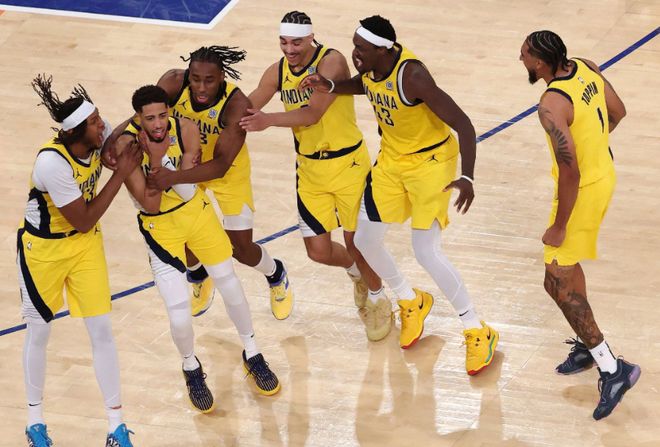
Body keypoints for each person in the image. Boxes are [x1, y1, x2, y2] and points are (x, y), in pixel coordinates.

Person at [301, 15, 499, 375]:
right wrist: (330, 84)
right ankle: (410, 300)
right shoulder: (373, 68)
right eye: (354, 45)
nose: (355, 53)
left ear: (383, 50)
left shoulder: (413, 76)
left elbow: (464, 124)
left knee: (425, 251)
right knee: (364, 241)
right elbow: (363, 85)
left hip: (431, 163)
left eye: (361, 48)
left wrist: (467, 176)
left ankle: (476, 329)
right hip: (393, 161)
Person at [113, 85, 281, 411]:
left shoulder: (186, 128)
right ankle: (190, 366)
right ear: (138, 118)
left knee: (229, 282)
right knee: (178, 313)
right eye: (150, 118)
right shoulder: (126, 146)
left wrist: (164, 166)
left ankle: (252, 351)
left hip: (197, 213)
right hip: (160, 228)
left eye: (163, 115)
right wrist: (160, 163)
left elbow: (189, 189)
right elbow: (150, 203)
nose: (158, 123)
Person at [238, 10, 387, 340]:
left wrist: (268, 120)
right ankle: (357, 273)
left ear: (311, 38)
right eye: (283, 42)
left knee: (356, 243)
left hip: (347, 164)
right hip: (309, 168)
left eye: (296, 43)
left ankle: (379, 299)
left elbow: (313, 113)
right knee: (318, 251)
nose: (289, 49)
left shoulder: (331, 62)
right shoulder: (277, 71)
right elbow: (246, 106)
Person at [519, 30, 640, 419]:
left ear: (540, 63)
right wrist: (596, 148)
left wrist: (559, 225)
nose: (521, 60)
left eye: (524, 55)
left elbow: (569, 171)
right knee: (567, 271)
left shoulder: (550, 105)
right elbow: (618, 111)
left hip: (582, 190)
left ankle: (612, 369)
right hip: (603, 173)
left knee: (555, 280)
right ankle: (588, 347)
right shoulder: (586, 67)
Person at [19, 75, 139, 446]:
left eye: (100, 118)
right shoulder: (52, 164)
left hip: (85, 247)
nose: (103, 125)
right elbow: (83, 218)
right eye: (95, 122)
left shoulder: (93, 138)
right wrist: (121, 173)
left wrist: (140, 116)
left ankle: (116, 426)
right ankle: (35, 422)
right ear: (75, 133)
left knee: (101, 330)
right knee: (39, 332)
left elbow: (119, 134)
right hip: (45, 251)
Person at [144, 46, 294, 320]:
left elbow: (222, 164)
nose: (201, 87)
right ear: (188, 75)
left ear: (222, 77)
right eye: (196, 79)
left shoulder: (236, 105)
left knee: (241, 249)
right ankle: (199, 275)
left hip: (227, 173)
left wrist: (173, 177)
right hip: (188, 164)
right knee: (182, 233)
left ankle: (276, 273)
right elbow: (146, 117)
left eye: (209, 80)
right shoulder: (172, 83)